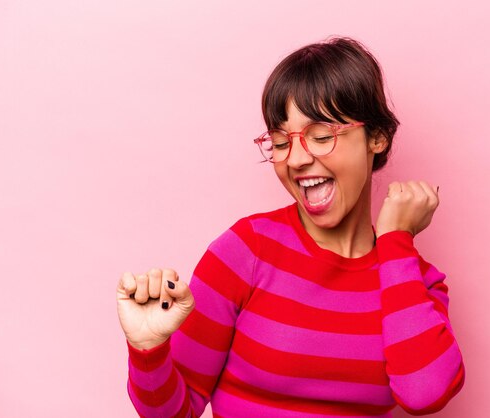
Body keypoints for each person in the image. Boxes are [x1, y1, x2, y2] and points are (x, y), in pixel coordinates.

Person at [116, 36, 465, 417]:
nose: (296, 159)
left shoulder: (414, 281)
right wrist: (148, 351)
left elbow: (424, 395)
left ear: (377, 137)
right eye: (281, 142)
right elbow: (172, 413)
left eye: (320, 136)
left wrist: (397, 241)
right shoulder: (245, 251)